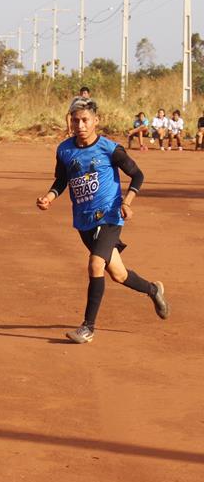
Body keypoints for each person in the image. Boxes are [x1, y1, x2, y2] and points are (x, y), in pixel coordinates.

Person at [36, 98, 169, 344]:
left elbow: (138, 175)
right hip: (84, 221)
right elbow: (61, 180)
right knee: (118, 274)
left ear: (96, 121)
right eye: (75, 120)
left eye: (85, 120)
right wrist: (49, 197)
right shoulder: (64, 150)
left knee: (95, 264)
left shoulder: (110, 149)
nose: (80, 125)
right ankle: (153, 290)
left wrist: (127, 202)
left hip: (109, 216)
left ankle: (87, 328)